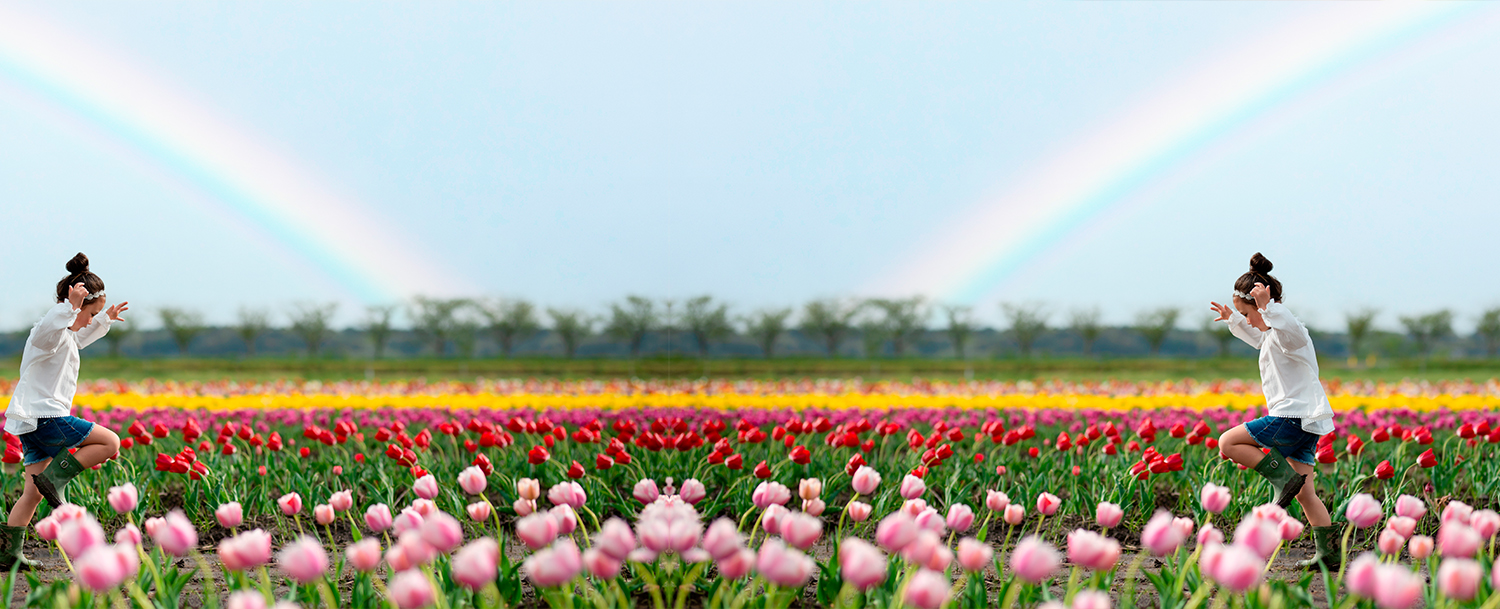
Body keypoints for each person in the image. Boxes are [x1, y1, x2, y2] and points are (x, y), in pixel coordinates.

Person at [1210, 252, 1338, 571]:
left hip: (1291, 418)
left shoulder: (1290, 332)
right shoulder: (1272, 335)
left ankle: (1282, 479)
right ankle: (1330, 555)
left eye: (1247, 312)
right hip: (1304, 422)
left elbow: (1286, 327)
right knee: (1306, 493)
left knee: (1228, 443)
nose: (1249, 319)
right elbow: (1259, 334)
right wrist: (1234, 318)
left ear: (1262, 305)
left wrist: (1269, 307)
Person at [1, 253, 126, 570]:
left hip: (34, 421)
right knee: (110, 442)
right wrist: (69, 307)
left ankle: (8, 554)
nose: (88, 319)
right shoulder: (48, 331)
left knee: (32, 494)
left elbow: (79, 335)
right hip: (46, 418)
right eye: (90, 313)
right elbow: (53, 327)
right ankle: (55, 480)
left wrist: (103, 319)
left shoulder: (65, 334)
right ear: (74, 305)